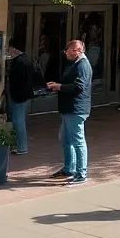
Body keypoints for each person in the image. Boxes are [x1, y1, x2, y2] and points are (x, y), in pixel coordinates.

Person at [46, 39, 92, 184]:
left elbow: (78, 87)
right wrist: (57, 85)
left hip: (76, 109)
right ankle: (68, 168)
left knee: (78, 141)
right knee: (65, 139)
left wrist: (58, 86)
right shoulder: (75, 63)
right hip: (68, 109)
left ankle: (81, 173)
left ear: (77, 51)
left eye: (68, 51)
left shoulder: (83, 65)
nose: (66, 54)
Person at [6, 38, 36, 154]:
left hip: (19, 96)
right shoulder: (25, 60)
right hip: (23, 95)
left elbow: (18, 81)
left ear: (14, 49)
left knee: (18, 121)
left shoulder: (20, 62)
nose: (9, 52)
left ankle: (22, 146)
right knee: (18, 120)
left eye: (10, 49)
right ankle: (18, 145)